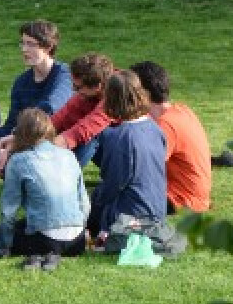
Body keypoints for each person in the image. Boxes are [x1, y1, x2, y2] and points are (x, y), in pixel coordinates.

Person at [0, 19, 73, 171]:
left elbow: (50, 107)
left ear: (48, 47)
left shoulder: (63, 74)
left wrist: (17, 136)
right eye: (23, 43)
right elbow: (11, 125)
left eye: (31, 44)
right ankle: (20, 160)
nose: (24, 49)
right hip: (24, 138)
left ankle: (21, 160)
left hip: (55, 137)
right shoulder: (21, 82)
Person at [0, 109, 90, 271]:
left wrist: (4, 247)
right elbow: (85, 204)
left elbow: (8, 211)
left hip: (46, 239)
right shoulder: (69, 155)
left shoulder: (18, 161)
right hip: (77, 241)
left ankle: (41, 252)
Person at [87, 70, 168, 241]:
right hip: (157, 210)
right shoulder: (155, 129)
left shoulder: (121, 137)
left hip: (132, 215)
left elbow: (113, 184)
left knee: (92, 200)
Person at [130, 61, 212, 213]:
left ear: (143, 94)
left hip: (180, 199)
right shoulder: (182, 110)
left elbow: (143, 171)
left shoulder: (164, 126)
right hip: (192, 196)